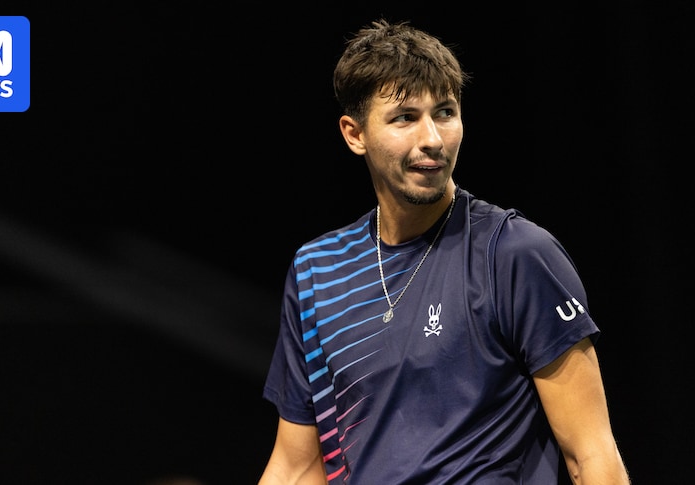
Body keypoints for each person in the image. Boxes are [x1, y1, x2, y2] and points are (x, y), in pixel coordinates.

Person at [258, 18, 630, 485]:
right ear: (355, 134)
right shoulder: (316, 271)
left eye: (445, 112)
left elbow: (592, 456)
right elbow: (298, 467)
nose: (431, 139)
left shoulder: (515, 254)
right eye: (405, 118)